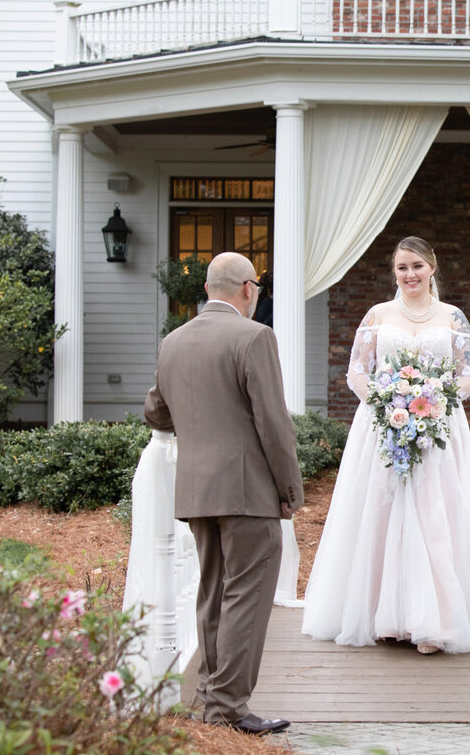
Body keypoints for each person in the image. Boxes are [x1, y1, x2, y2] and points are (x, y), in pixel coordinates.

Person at [301, 236, 470, 655]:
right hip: (382, 426)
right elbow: (357, 371)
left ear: (432, 267)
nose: (409, 275)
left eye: (416, 266)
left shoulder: (452, 317)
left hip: (439, 429)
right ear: (394, 272)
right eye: (401, 268)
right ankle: (386, 616)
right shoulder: (378, 314)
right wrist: (383, 398)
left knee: (434, 512)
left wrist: (436, 398)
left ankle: (434, 620)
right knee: (382, 511)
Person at [144, 252, 304, 736]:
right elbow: (273, 424)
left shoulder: (174, 340)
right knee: (247, 596)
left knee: (213, 591)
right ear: (248, 289)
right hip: (247, 490)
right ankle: (229, 707)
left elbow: (155, 411)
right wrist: (289, 488)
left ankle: (213, 696)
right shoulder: (254, 336)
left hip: (196, 487)